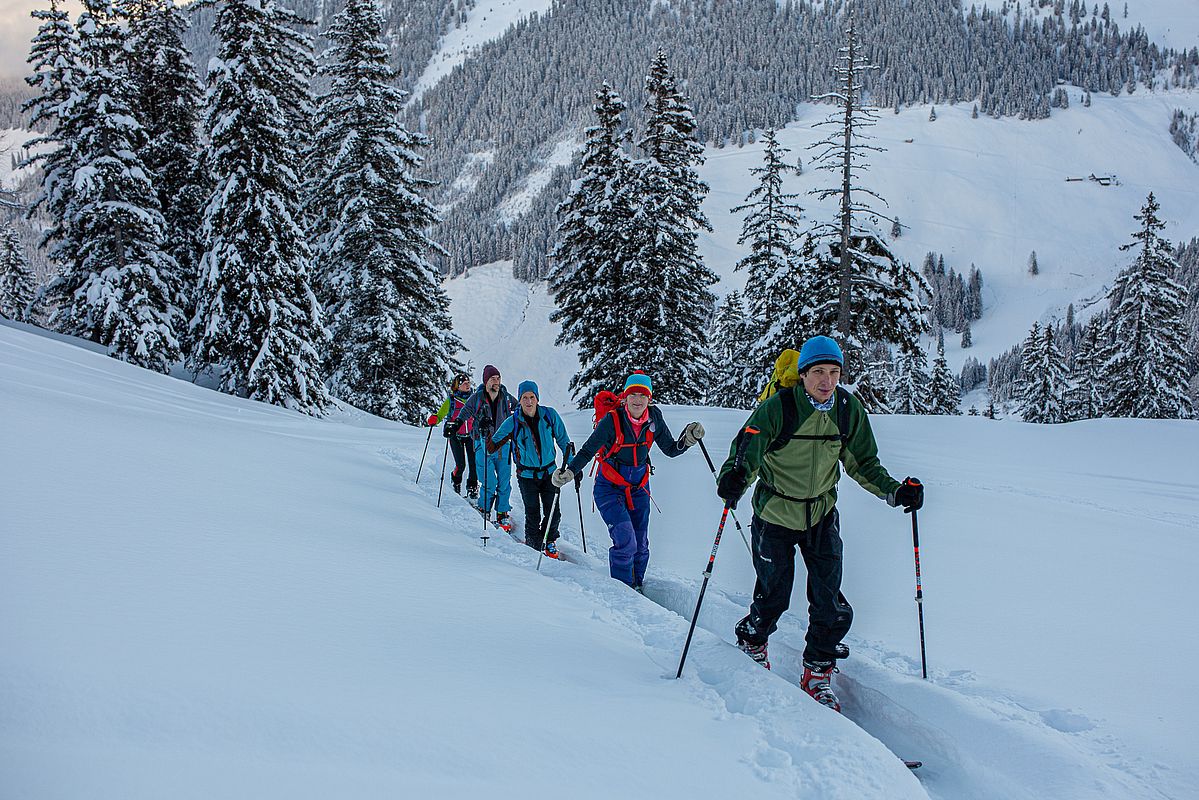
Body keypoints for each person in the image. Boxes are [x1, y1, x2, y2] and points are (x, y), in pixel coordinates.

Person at [716, 335, 924, 712]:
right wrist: (734, 479)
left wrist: (896, 492)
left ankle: (817, 670)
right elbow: (747, 451)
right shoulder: (779, 408)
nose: (826, 381)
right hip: (775, 514)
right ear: (804, 373)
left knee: (829, 598)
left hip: (821, 515)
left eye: (834, 372)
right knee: (774, 592)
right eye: (818, 373)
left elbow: (864, 463)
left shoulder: (847, 410)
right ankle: (753, 639)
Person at [553, 372, 705, 590]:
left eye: (642, 395)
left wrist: (687, 440)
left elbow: (671, 449)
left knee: (641, 545)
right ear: (625, 397)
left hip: (640, 488)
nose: (637, 399)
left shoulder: (654, 418)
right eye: (632, 394)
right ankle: (623, 591)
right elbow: (588, 450)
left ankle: (637, 587)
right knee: (626, 541)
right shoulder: (612, 421)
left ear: (649, 398)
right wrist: (569, 472)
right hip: (609, 488)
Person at [490, 380, 572, 557]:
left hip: (550, 473)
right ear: (519, 400)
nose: (528, 401)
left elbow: (564, 441)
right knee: (532, 512)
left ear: (537, 398)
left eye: (532, 397)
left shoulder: (549, 416)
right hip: (526, 475)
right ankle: (534, 546)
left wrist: (572, 465)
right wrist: (484, 433)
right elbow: (493, 443)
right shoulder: (513, 421)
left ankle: (549, 541)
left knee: (553, 512)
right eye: (524, 398)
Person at [453, 365, 517, 528]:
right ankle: (484, 508)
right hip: (482, 443)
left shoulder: (506, 396)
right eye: (492, 379)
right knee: (489, 481)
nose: (496, 381)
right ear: (486, 381)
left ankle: (502, 513)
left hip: (503, 445)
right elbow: (465, 411)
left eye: (498, 378)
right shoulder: (477, 397)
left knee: (504, 481)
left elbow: (518, 410)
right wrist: (456, 424)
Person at [427, 373, 479, 499]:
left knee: (474, 464)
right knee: (461, 465)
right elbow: (440, 415)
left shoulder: (474, 398)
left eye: (468, 382)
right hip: (455, 436)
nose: (467, 385)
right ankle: (456, 481)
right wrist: (434, 419)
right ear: (457, 386)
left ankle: (472, 488)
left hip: (471, 435)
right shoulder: (451, 401)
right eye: (464, 383)